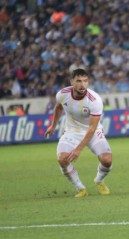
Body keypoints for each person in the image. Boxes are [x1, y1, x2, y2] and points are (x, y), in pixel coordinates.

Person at [44, 69, 113, 197]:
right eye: (79, 81)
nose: (82, 84)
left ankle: (99, 181)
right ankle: (80, 188)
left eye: (85, 81)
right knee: (62, 159)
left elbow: (92, 128)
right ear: (72, 82)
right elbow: (59, 107)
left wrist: (78, 149)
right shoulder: (62, 94)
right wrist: (53, 126)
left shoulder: (94, 100)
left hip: (93, 131)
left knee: (107, 160)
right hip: (72, 131)